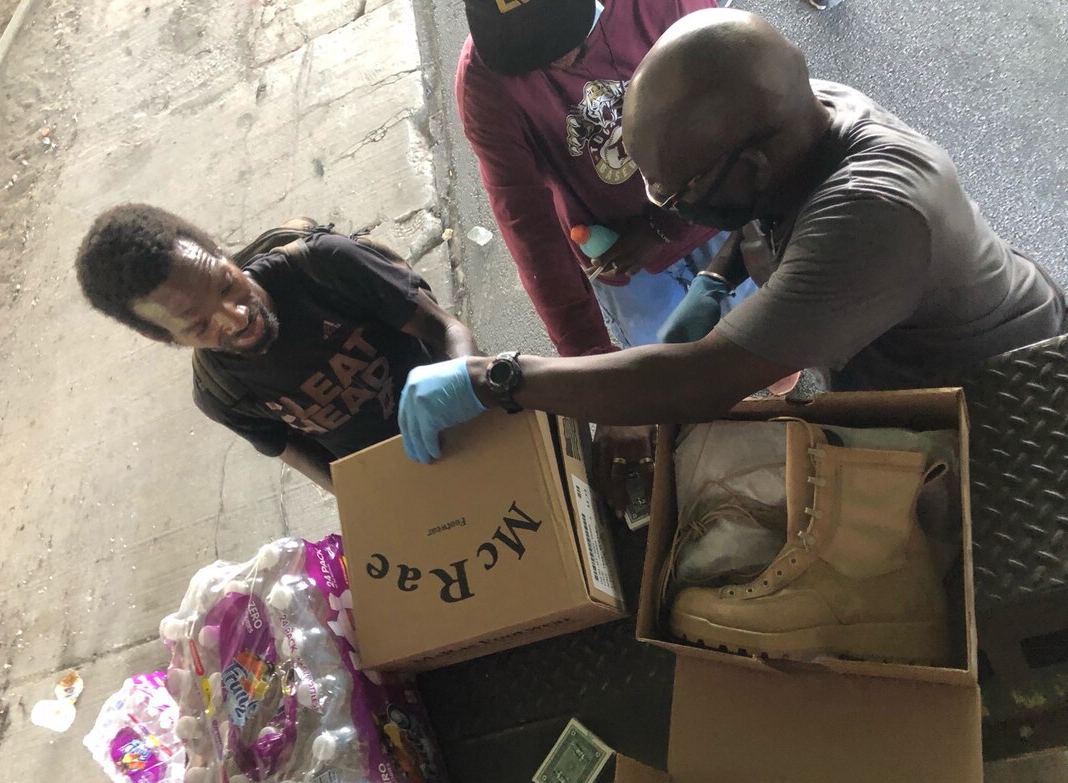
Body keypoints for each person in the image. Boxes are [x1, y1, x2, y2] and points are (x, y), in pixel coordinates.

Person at [398, 8, 1065, 507]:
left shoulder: (872, 218)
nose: (675, 213)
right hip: (900, 359)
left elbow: (704, 379)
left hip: (1006, 399)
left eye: (680, 194)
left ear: (751, 164)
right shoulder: (801, 116)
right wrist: (716, 280)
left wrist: (498, 378)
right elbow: (766, 215)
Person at [458, 0, 759, 491]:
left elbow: (744, 114)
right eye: (531, 62)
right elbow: (528, 228)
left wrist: (665, 228)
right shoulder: (484, 82)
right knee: (674, 376)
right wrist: (597, 371)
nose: (553, 66)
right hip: (620, 260)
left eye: (564, 47)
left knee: (757, 329)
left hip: (721, 208)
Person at [76, 204, 479, 491]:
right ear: (163, 337)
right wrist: (374, 506)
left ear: (220, 251)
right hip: (403, 482)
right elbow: (325, 471)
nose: (237, 318)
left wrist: (462, 381)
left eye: (226, 284)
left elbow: (443, 327)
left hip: (471, 425)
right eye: (200, 324)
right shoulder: (222, 394)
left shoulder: (323, 266)